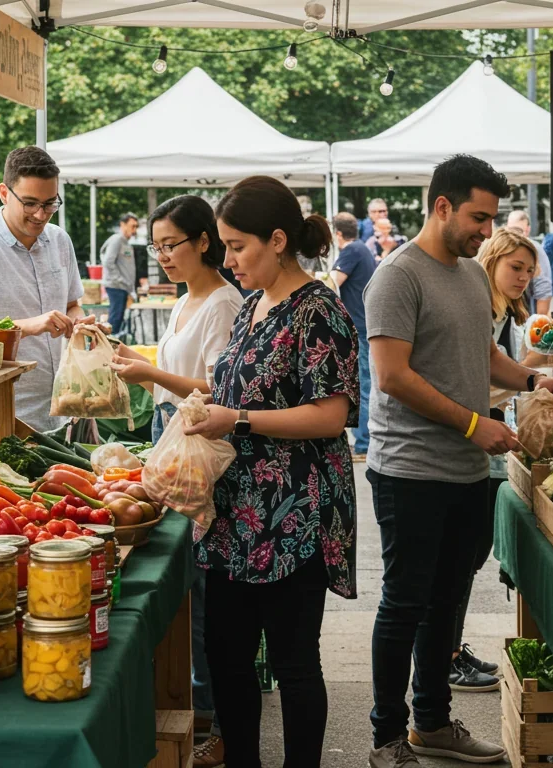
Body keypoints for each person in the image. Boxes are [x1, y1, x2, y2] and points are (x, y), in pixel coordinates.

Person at [364, 155, 553, 768]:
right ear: (442, 206)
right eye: (478, 218)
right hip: (410, 470)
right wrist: (475, 424)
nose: (487, 231)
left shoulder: (466, 277)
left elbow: (482, 356)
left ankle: (431, 723)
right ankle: (385, 737)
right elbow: (392, 377)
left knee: (448, 599)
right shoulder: (397, 276)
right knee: (404, 603)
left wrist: (537, 382)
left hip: (464, 471)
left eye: (490, 219)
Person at [182, 176, 359, 768]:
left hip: (296, 514)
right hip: (236, 512)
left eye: (237, 246)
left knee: (293, 663)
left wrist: (237, 419)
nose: (227, 259)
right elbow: (232, 387)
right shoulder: (254, 305)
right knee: (230, 661)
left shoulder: (320, 309)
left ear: (277, 239)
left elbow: (331, 415)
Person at [106, 194, 243, 768]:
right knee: (186, 579)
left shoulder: (223, 303)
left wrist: (146, 372)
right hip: (172, 439)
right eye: (155, 246)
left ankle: (218, 716)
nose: (161, 255)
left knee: (205, 586)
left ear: (204, 241)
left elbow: (219, 391)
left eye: (172, 245)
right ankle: (200, 701)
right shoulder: (187, 300)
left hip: (202, 447)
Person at [437, 227, 543, 696]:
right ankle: (445, 656)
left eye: (529, 271)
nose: (522, 277)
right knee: (458, 559)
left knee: (466, 556)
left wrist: (532, 375)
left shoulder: (500, 311)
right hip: (468, 439)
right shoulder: (479, 307)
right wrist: (530, 376)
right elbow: (474, 382)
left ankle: (450, 650)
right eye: (515, 267)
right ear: (492, 260)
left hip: (486, 436)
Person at [0, 146, 94, 433]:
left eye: (50, 204)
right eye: (30, 203)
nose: (41, 215)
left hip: (62, 404)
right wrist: (29, 326)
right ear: (4, 193)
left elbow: (72, 305)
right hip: (3, 405)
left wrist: (79, 322)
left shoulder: (60, 240)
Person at [330, 212, 377, 460]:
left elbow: (333, 282)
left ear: (338, 234)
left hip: (357, 327)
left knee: (361, 387)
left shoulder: (351, 251)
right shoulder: (362, 249)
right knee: (365, 383)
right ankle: (364, 442)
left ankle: (363, 444)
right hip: (364, 324)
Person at [504, 210, 552, 316]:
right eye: (511, 230)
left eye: (519, 230)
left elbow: (543, 288)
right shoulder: (500, 247)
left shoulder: (534, 250)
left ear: (527, 230)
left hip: (523, 313)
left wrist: (539, 323)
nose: (515, 235)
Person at [100, 213, 141, 336]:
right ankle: (109, 350)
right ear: (122, 225)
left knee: (119, 320)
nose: (134, 230)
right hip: (116, 287)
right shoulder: (116, 240)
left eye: (136, 227)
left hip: (123, 288)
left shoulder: (126, 243)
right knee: (115, 320)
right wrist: (120, 280)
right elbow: (108, 261)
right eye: (132, 226)